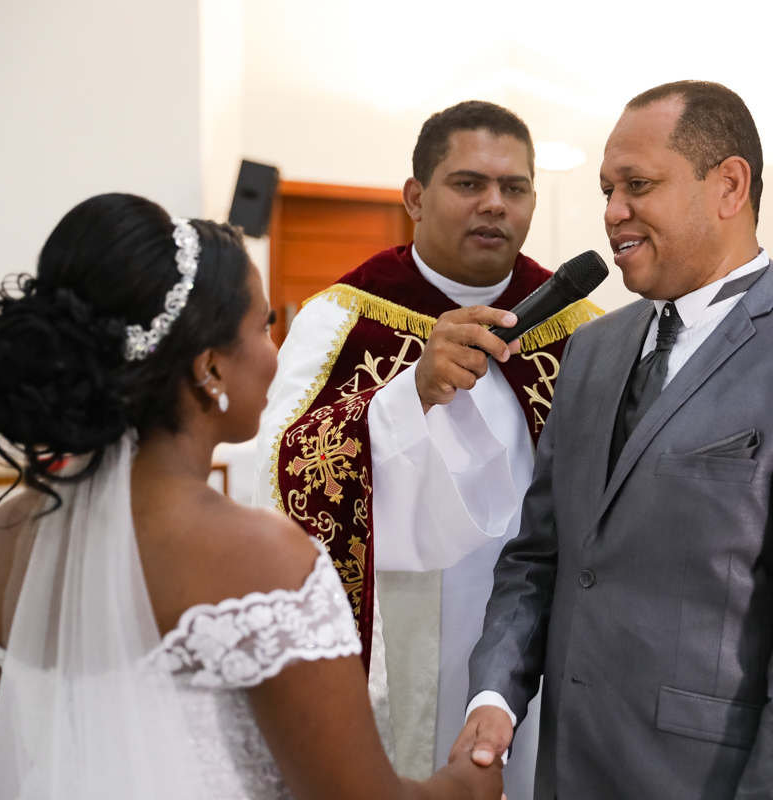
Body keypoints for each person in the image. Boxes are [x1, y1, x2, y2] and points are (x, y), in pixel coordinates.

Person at [455, 81, 773, 800]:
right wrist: (494, 694)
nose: (613, 212)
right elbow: (541, 556)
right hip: (571, 772)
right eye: (607, 190)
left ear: (729, 186)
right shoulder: (594, 349)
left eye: (638, 185)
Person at [0, 193, 502, 800]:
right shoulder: (263, 561)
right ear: (208, 367)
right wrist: (468, 783)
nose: (274, 354)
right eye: (262, 327)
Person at [255, 101, 600, 796]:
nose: (494, 204)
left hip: (538, 628)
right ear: (415, 196)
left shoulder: (580, 328)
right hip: (396, 617)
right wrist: (408, 393)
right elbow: (282, 471)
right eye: (469, 183)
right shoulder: (343, 317)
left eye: (514, 187)